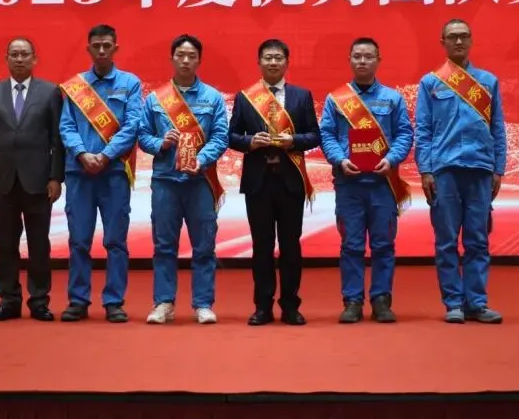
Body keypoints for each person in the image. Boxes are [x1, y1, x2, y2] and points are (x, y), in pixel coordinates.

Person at [414, 19, 506, 324]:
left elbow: (497, 128)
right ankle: (453, 302)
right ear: (442, 42)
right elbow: (423, 129)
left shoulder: (488, 82)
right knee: (446, 240)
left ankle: (477, 303)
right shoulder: (430, 82)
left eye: (464, 36)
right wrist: (425, 169)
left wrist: (498, 168)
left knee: (478, 240)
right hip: (444, 170)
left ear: (471, 40)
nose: (458, 41)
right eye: (452, 37)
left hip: (480, 169)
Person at [319, 37, 413, 323]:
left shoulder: (393, 98)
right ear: (350, 60)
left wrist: (392, 159)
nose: (362, 61)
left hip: (382, 184)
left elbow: (405, 134)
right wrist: (339, 159)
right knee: (352, 245)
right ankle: (353, 301)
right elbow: (327, 135)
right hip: (349, 183)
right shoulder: (336, 99)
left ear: (378, 60)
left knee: (383, 244)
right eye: (357, 56)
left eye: (368, 56)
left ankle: (382, 300)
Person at [136, 34, 229, 324]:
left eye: (191, 56)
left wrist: (201, 159)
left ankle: (203, 304)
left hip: (200, 181)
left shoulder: (212, 98)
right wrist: (161, 143)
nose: (185, 60)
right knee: (164, 245)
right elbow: (142, 136)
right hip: (166, 181)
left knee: (204, 245)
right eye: (180, 55)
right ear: (172, 58)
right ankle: (164, 303)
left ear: (199, 60)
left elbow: (220, 137)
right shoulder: (156, 99)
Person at [228, 39, 320, 326]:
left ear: (286, 62)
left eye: (278, 58)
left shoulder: (301, 96)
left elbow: (314, 135)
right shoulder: (245, 98)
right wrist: (249, 142)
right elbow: (231, 137)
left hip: (291, 181)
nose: (273, 62)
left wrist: (294, 140)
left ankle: (291, 305)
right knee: (262, 246)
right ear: (259, 62)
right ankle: (262, 307)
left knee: (291, 246)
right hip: (258, 182)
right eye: (267, 57)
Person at [58, 24, 143, 323]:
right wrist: (82, 154)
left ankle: (114, 301)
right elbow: (66, 126)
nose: (102, 50)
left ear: (116, 48)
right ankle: (78, 300)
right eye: (97, 46)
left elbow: (132, 125)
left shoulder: (130, 83)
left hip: (114, 172)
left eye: (107, 45)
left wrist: (105, 156)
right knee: (79, 240)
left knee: (116, 241)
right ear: (89, 49)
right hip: (79, 172)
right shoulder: (76, 86)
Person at [0, 37, 65, 322]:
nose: (19, 59)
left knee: (39, 244)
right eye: (14, 54)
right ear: (6, 59)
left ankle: (39, 301)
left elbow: (57, 139)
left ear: (34, 59)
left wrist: (56, 176)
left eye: (24, 54)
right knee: (5, 243)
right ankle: (8, 300)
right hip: (2, 183)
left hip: (39, 182)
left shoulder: (50, 92)